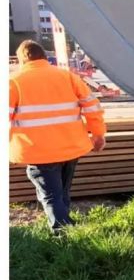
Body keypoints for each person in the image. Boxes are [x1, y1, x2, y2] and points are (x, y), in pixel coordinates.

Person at [9, 40, 107, 234]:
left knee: (51, 196)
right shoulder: (67, 77)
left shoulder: (14, 82)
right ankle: (66, 225)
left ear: (22, 60)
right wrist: (98, 135)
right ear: (44, 58)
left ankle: (63, 234)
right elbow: (92, 108)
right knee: (61, 192)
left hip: (38, 151)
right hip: (71, 147)